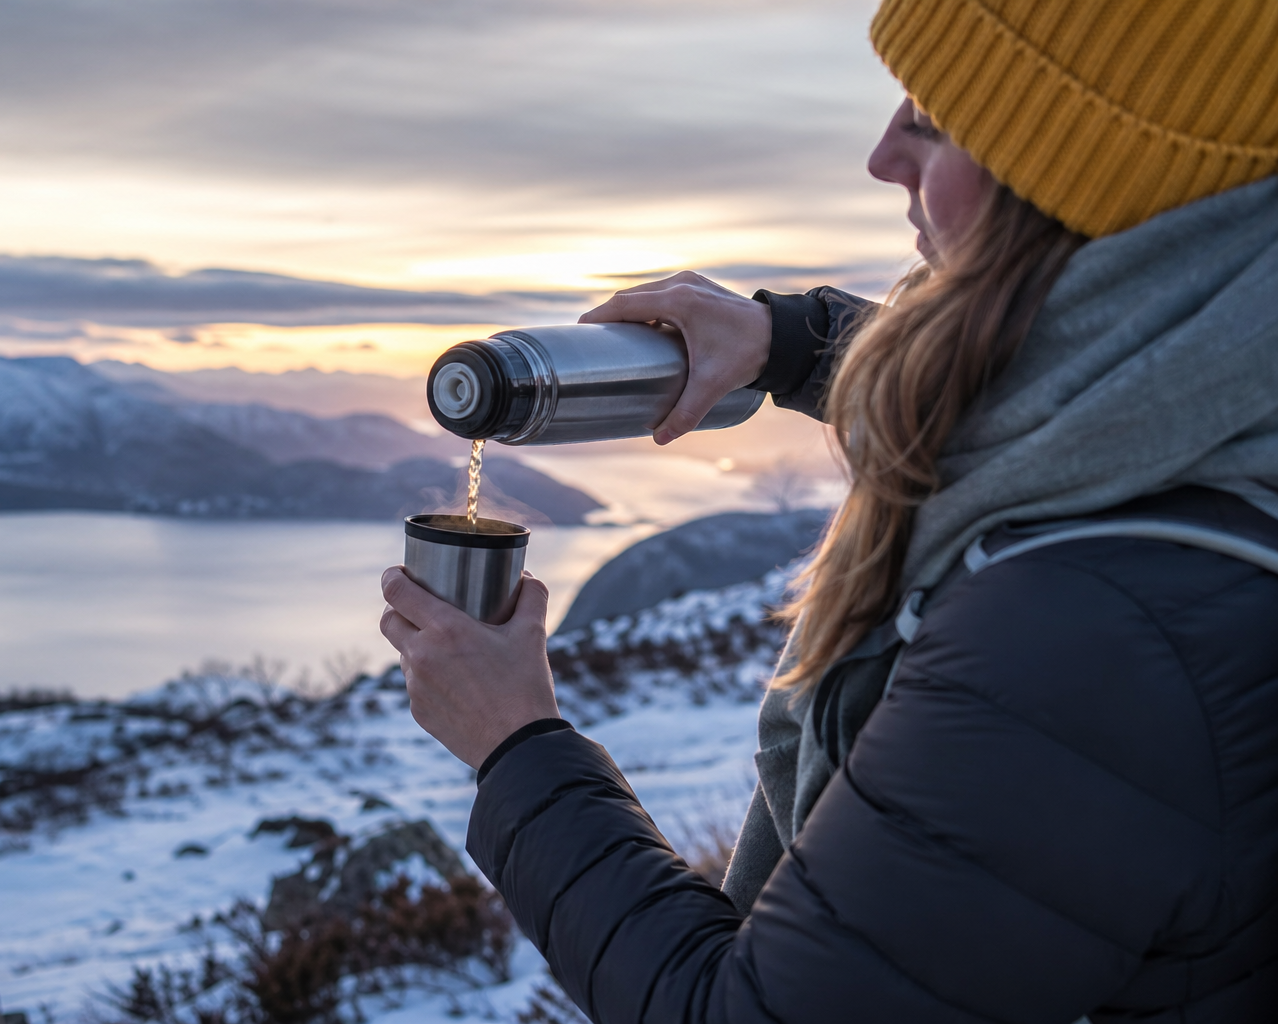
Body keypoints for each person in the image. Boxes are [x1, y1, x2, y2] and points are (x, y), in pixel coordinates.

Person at [380, 0, 1278, 1019]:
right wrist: (788, 341)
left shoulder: (1087, 638)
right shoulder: (1219, 405)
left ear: (1075, 178)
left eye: (933, 122)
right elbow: (1074, 393)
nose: (880, 155)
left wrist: (516, 742)